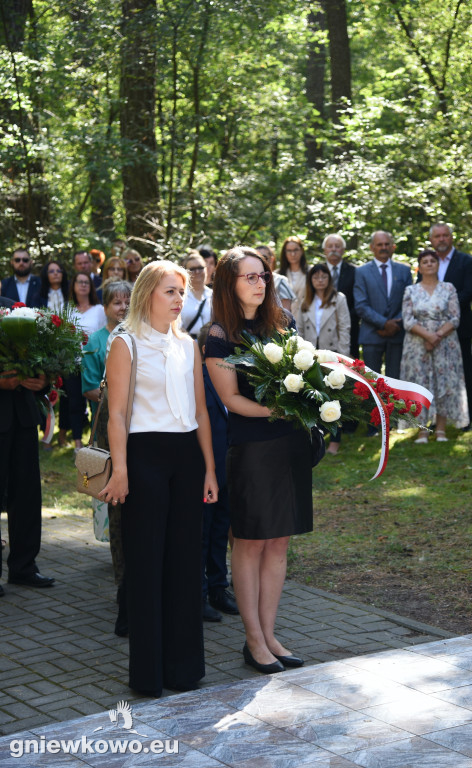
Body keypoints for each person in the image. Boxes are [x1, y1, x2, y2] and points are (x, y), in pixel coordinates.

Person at [99, 260, 218, 697]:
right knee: (147, 566)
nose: (178, 300)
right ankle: (148, 675)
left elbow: (202, 412)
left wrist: (208, 468)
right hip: (143, 456)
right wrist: (123, 469)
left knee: (186, 564)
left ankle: (184, 670)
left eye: (182, 292)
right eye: (170, 291)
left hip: (187, 456)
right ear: (148, 293)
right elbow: (116, 413)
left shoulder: (188, 345)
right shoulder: (124, 344)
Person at [206, 246, 312, 674]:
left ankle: (270, 635)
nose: (259, 283)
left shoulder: (282, 323)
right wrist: (279, 411)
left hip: (290, 445)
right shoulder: (219, 335)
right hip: (250, 449)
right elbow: (229, 398)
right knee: (250, 543)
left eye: (262, 276)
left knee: (279, 542)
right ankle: (252, 640)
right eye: (249, 277)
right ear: (229, 284)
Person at [81, 280, 132, 636]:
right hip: (108, 428)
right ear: (105, 306)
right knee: (118, 510)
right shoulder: (97, 342)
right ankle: (124, 587)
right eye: (116, 302)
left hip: (141, 429)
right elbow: (89, 387)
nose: (123, 306)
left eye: (128, 301)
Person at [0, 293, 55, 596]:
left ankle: (23, 567)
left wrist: (42, 380)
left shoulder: (19, 311)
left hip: (22, 418)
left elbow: (42, 358)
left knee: (27, 496)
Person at [401, 250, 469, 443]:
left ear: (438, 265)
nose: (429, 264)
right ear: (419, 267)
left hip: (446, 343)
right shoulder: (411, 291)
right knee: (420, 385)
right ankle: (422, 430)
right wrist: (427, 336)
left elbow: (455, 318)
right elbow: (407, 320)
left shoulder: (448, 288)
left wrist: (437, 336)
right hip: (417, 344)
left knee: (444, 383)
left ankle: (440, 429)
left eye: (433, 261)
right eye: (425, 261)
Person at [196, 323, 238, 622]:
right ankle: (196, 594)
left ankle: (218, 587)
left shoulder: (233, 378)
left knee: (221, 530)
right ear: (202, 352)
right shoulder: (195, 380)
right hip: (204, 469)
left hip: (230, 468)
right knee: (202, 533)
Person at [296, 263, 351, 455]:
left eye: (323, 276)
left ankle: (335, 439)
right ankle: (317, 437)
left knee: (335, 395)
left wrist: (343, 356)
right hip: (310, 355)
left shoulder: (339, 299)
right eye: (316, 276)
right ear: (310, 280)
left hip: (334, 352)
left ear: (329, 279)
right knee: (313, 395)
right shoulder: (305, 300)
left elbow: (344, 327)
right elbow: (300, 330)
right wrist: (300, 352)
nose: (320, 280)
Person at [428, 223, 472, 427]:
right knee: (433, 377)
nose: (441, 239)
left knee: (463, 375)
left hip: (459, 329)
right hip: (430, 331)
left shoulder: (466, 261)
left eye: (445, 235)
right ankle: (434, 420)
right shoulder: (426, 261)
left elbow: (469, 292)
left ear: (451, 237)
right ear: (431, 240)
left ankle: (466, 419)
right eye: (437, 236)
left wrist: (441, 308)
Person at [59, 274, 105, 451]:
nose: (84, 285)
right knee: (75, 404)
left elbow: (103, 335)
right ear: (74, 285)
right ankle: (78, 443)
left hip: (94, 364)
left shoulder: (99, 309)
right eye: (80, 282)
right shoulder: (68, 310)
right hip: (73, 363)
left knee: (97, 402)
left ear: (91, 287)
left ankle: (96, 441)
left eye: (87, 282)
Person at [354, 232, 412, 372]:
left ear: (393, 247)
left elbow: (409, 302)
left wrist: (395, 325)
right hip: (372, 335)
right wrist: (384, 324)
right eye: (379, 244)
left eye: (387, 244)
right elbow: (361, 305)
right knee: (372, 384)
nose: (383, 247)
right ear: (372, 247)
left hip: (397, 334)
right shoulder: (361, 272)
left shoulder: (404, 270)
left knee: (396, 383)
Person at [322, 234, 359, 358]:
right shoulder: (316, 272)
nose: (333, 249)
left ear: (343, 250)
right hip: (321, 329)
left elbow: (358, 300)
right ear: (324, 250)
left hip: (349, 328)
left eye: (337, 246)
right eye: (330, 246)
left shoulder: (355, 271)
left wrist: (346, 318)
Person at [181, 252, 212, 339]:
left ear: (206, 269)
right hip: (187, 345)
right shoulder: (180, 296)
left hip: (212, 345)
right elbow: (175, 325)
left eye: (200, 268)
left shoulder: (214, 295)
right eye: (192, 269)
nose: (197, 272)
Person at [256, 244, 296, 311]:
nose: (261, 261)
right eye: (257, 258)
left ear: (271, 259)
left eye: (264, 257)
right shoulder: (250, 280)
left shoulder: (280, 281)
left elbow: (286, 314)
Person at [278, 236, 308, 317]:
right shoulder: (278, 274)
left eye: (296, 250)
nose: (293, 254)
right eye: (289, 251)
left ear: (301, 251)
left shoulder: (311, 272)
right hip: (285, 320)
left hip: (307, 319)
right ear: (284, 253)